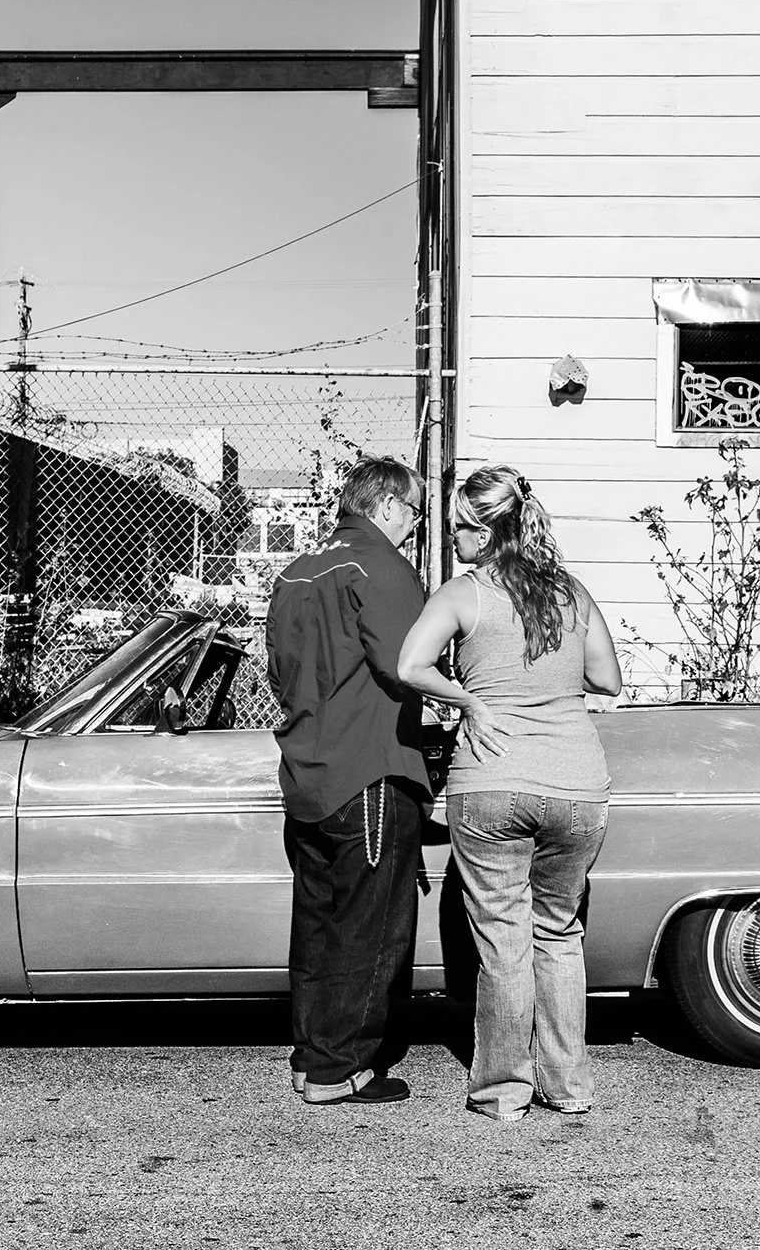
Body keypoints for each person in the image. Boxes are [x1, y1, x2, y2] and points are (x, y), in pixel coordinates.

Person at [398, 464, 622, 1122]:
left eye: (460, 529)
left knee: (503, 938)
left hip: (492, 783)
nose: (454, 541)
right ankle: (569, 1084)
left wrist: (467, 696)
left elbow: (409, 664)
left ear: (485, 530)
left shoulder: (462, 594)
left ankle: (502, 1090)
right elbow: (606, 678)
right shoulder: (571, 592)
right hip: (578, 786)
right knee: (558, 932)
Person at [265, 456, 432, 1106]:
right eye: (414, 513)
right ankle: (342, 1068)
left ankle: (312, 1056)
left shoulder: (296, 569)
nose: (414, 527)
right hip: (371, 765)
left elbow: (279, 673)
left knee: (318, 923)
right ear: (387, 505)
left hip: (307, 769)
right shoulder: (381, 566)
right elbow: (405, 666)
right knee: (374, 923)